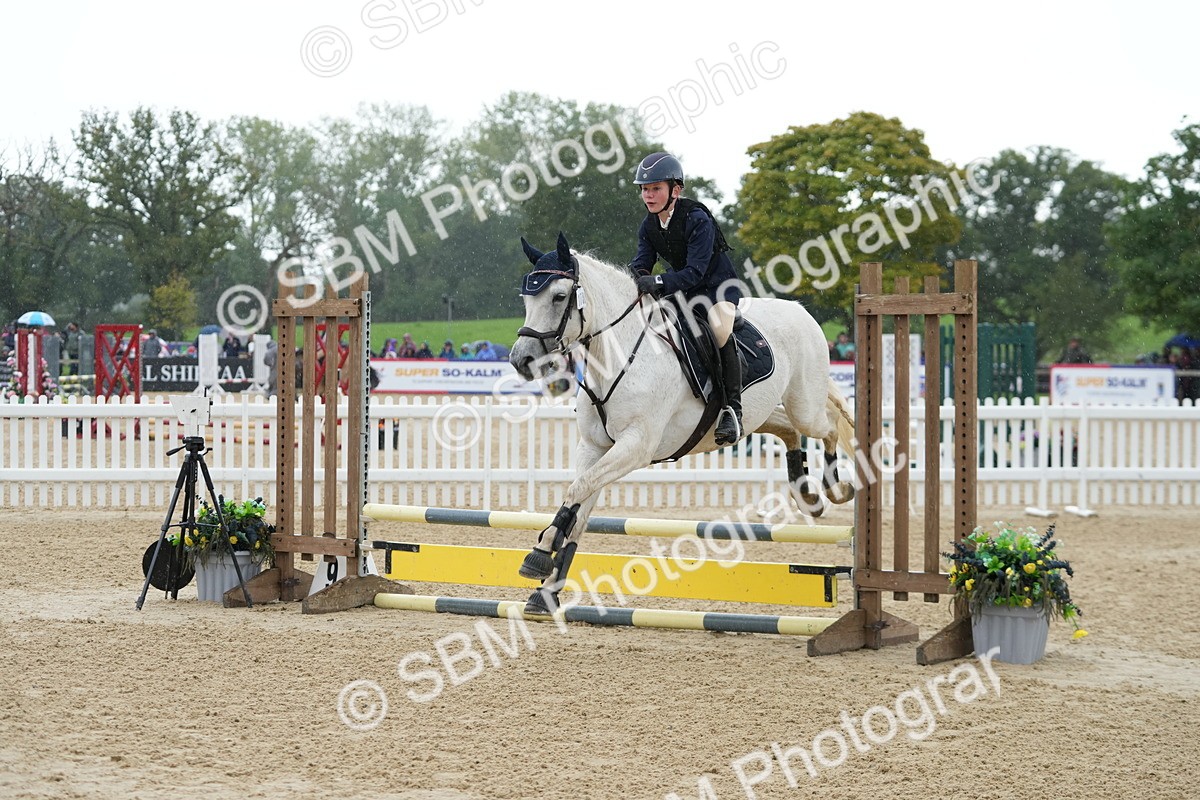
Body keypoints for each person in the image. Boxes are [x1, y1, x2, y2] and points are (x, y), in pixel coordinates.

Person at [628, 151, 744, 445]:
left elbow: (695, 271)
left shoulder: (697, 218)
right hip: (683, 292)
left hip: (717, 289)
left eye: (655, 188)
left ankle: (732, 408)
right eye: (645, 189)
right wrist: (638, 275)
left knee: (718, 329)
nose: (649, 195)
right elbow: (642, 261)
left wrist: (656, 280)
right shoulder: (649, 225)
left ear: (675, 190)